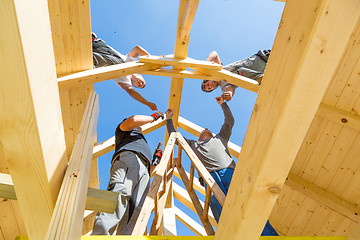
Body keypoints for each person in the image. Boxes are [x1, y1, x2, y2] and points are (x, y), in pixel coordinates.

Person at [165, 97, 278, 236]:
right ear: (199, 137)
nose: (205, 128)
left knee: (245, 205)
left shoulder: (220, 137)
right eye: (202, 129)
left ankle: (268, 236)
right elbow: (174, 136)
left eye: (207, 128)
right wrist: (168, 119)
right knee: (220, 209)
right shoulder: (194, 144)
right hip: (209, 178)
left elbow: (229, 121)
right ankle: (230, 236)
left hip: (228, 172)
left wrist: (223, 104)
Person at [92, 111, 164, 235]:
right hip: (129, 158)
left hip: (144, 169)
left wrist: (155, 161)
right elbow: (134, 119)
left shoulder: (139, 139)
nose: (141, 128)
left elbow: (148, 170)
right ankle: (100, 235)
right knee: (120, 194)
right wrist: (154, 117)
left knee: (135, 210)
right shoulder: (124, 130)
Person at [92, 33, 157, 110]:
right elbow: (137, 49)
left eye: (139, 85)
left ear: (133, 85)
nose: (139, 83)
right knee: (120, 62)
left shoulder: (124, 81)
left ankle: (90, 60)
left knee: (117, 66)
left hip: (96, 58)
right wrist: (152, 59)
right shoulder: (131, 61)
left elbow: (131, 92)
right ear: (140, 75)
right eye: (142, 82)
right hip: (99, 46)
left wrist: (148, 103)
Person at [201, 50, 271, 101]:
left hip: (264, 56)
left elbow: (214, 54)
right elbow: (230, 88)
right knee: (240, 74)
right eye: (210, 88)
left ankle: (262, 78)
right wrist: (230, 93)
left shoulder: (219, 70)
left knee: (239, 72)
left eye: (208, 85)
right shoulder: (223, 87)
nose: (210, 86)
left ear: (208, 79)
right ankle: (263, 79)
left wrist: (206, 63)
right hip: (269, 68)